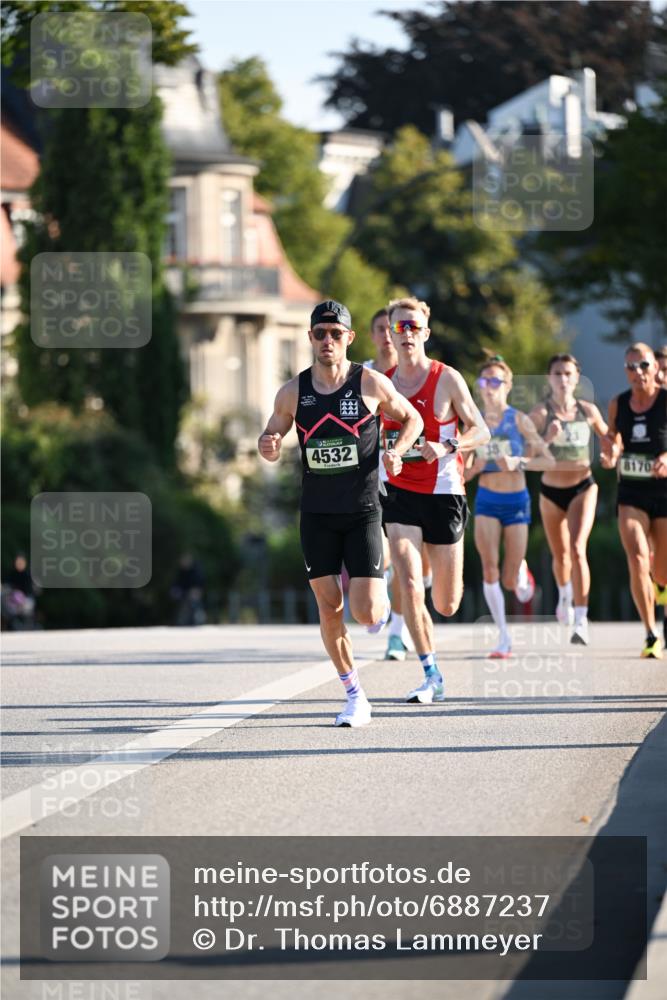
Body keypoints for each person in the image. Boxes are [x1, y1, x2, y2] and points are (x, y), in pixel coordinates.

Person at [258, 299, 423, 726]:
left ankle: (382, 597)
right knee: (329, 605)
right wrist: (268, 443)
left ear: (349, 338)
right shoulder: (293, 392)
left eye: (336, 334)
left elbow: (413, 420)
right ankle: (354, 695)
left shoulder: (369, 384)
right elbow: (272, 434)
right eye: (320, 333)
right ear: (310, 338)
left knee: (367, 612)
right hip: (316, 515)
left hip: (363, 510)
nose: (327, 340)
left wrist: (398, 451)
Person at [381, 297, 490, 703]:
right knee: (408, 583)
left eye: (413, 327)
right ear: (390, 334)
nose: (406, 333)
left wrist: (446, 446)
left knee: (446, 603)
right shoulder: (383, 384)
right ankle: (431, 674)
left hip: (444, 493)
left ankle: (433, 583)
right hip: (401, 493)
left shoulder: (447, 379)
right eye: (399, 327)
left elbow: (481, 431)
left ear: (425, 333)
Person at [466, 353, 554, 658]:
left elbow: (547, 459)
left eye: (495, 381)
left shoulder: (519, 419)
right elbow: (462, 472)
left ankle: (520, 573)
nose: (489, 387)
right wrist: (474, 468)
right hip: (487, 501)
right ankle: (503, 637)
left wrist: (518, 461)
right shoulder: (472, 422)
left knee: (509, 577)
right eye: (484, 381)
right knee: (489, 569)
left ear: (507, 385)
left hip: (516, 502)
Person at [529, 354, 608, 644]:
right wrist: (547, 438)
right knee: (560, 555)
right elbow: (525, 455)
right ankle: (564, 595)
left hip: (583, 487)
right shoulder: (540, 412)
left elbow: (609, 437)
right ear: (549, 379)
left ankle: (582, 618)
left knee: (577, 549)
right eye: (557, 373)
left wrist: (610, 453)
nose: (563, 379)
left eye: (568, 373)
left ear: (576, 378)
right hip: (551, 491)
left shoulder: (587, 411)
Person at [601, 343, 667, 658]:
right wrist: (611, 451)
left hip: (664, 492)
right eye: (631, 367)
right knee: (638, 557)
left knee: (662, 571)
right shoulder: (619, 403)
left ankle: (662, 589)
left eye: (643, 365)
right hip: (631, 492)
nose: (637, 372)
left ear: (656, 366)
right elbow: (613, 437)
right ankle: (651, 634)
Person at [363, 308, 419, 661]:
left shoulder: (412, 374)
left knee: (404, 561)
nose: (388, 334)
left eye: (393, 328)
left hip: (410, 476)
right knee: (383, 556)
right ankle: (382, 597)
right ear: (371, 335)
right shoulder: (363, 374)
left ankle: (397, 633)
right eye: (381, 328)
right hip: (370, 476)